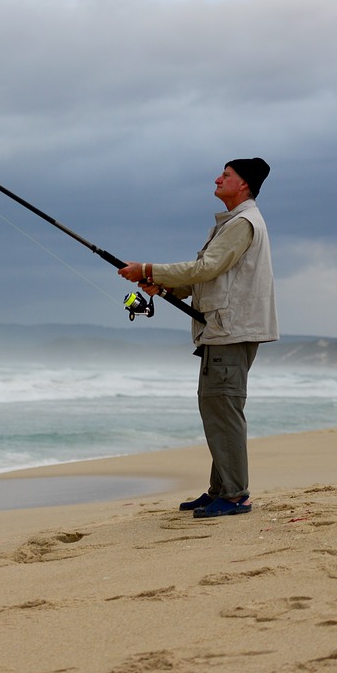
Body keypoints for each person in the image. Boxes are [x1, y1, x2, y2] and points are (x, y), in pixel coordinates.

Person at [118, 158, 278, 519]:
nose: (217, 179)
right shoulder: (231, 225)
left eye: (227, 175)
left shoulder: (243, 223)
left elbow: (207, 268)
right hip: (221, 331)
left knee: (224, 411)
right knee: (216, 410)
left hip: (230, 332)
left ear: (244, 186)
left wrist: (148, 269)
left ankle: (236, 495)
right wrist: (167, 288)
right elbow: (206, 280)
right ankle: (221, 489)